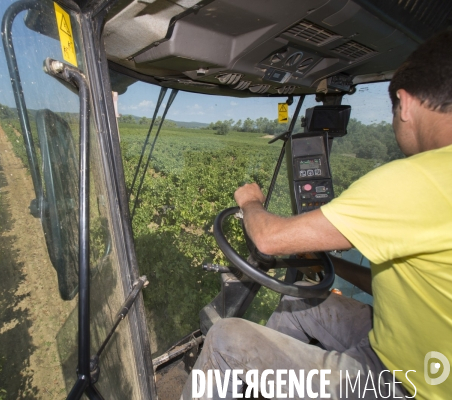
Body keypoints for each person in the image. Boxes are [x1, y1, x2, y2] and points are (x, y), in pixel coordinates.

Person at [181, 29, 452, 400]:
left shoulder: (418, 178)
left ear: (405, 103)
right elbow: (409, 284)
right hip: (420, 348)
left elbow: (268, 239)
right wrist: (332, 266)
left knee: (226, 337)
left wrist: (250, 203)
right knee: (300, 303)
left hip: (410, 384)